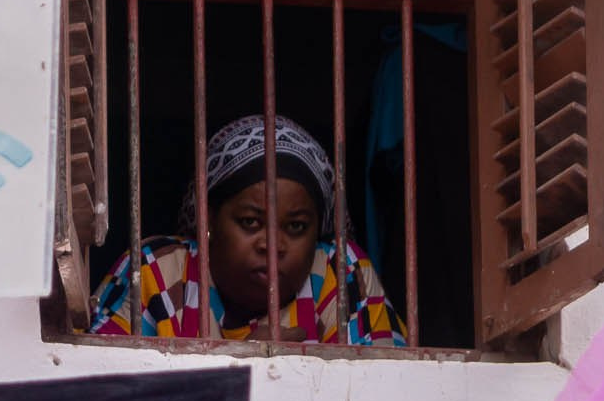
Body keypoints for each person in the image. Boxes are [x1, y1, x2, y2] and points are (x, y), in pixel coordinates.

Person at [87, 115, 406, 346]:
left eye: (296, 226)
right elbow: (94, 398)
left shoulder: (342, 273)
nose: (273, 245)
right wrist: (239, 369)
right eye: (250, 222)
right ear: (208, 219)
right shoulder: (155, 272)